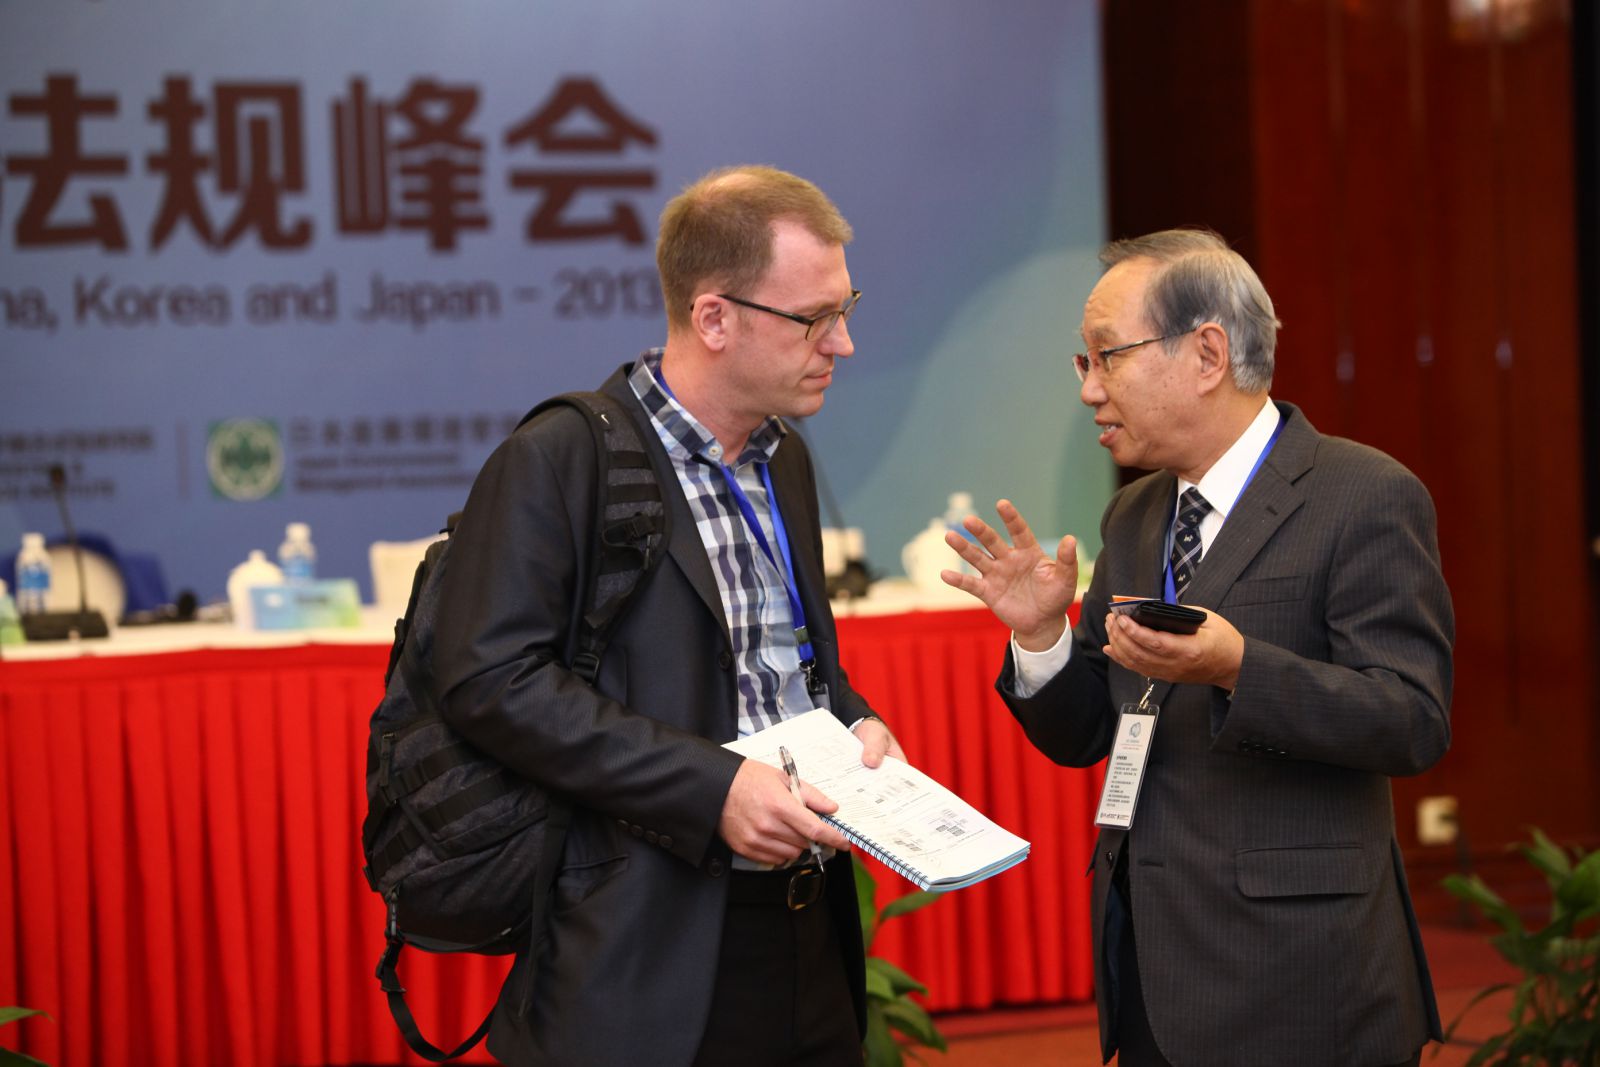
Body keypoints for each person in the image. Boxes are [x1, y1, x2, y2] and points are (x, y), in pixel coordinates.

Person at [942, 229, 1454, 1067]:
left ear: (1208, 353)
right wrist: (1041, 636)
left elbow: (1412, 718)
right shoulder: (1135, 515)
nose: (1089, 390)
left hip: (1303, 977)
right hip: (1153, 964)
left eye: (1107, 357)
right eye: (1083, 362)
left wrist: (1239, 668)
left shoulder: (1363, 495)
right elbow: (1089, 731)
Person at [432, 165, 900, 1067]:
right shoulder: (564, 456)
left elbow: (784, 661)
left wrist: (854, 719)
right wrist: (710, 788)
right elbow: (490, 679)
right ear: (714, 317)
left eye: (845, 309)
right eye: (813, 319)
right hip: (648, 944)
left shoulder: (784, 459)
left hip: (807, 930)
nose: (842, 343)